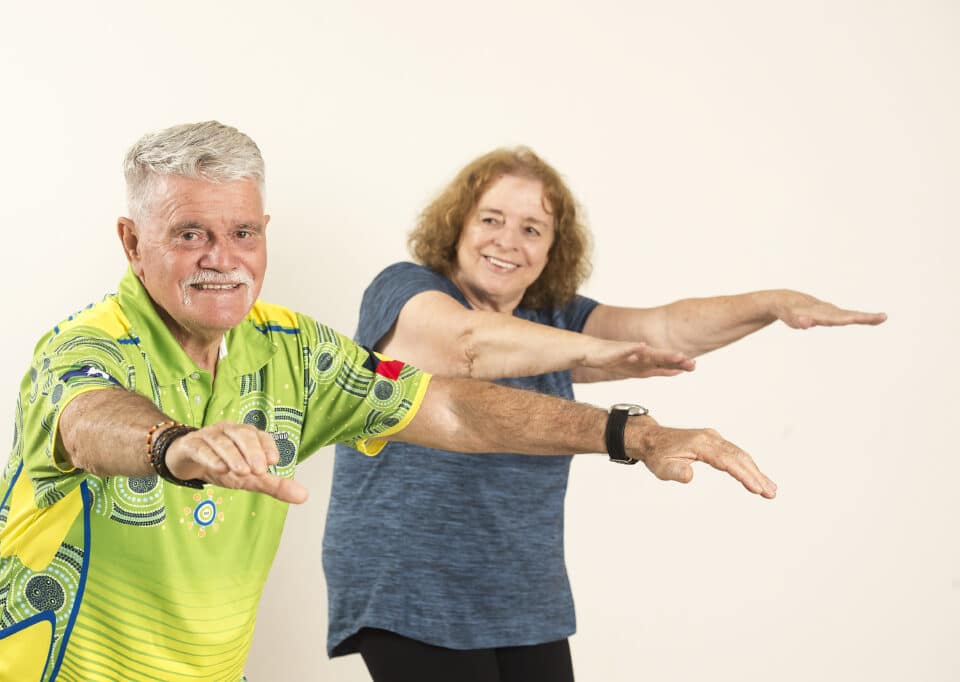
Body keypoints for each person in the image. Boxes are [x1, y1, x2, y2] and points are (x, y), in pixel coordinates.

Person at [0, 124, 776, 682]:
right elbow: (88, 417)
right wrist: (174, 444)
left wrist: (628, 432)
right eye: (189, 234)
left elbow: (454, 408)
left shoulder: (295, 354)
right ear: (132, 243)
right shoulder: (87, 342)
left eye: (242, 233)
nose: (222, 258)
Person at [322, 147, 887, 682]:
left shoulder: (555, 317)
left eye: (531, 229)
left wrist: (771, 304)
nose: (507, 241)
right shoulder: (402, 290)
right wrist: (594, 351)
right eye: (490, 219)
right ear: (458, 226)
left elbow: (664, 328)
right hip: (408, 587)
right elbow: (467, 343)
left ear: (550, 252)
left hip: (521, 594)